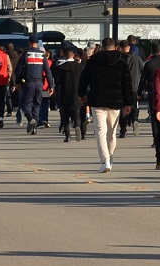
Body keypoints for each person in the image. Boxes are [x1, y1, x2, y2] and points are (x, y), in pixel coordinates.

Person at [80, 37, 135, 172]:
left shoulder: (93, 61)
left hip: (98, 100)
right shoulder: (122, 62)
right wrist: (129, 102)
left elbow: (84, 79)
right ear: (115, 47)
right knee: (112, 133)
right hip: (116, 101)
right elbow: (127, 83)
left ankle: (104, 161)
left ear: (102, 47)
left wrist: (81, 94)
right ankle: (110, 157)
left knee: (100, 132)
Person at [16, 37, 53, 135]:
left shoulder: (26, 53)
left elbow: (18, 70)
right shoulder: (42, 55)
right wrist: (51, 86)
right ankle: (34, 128)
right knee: (37, 104)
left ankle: (30, 119)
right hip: (40, 83)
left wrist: (17, 82)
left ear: (29, 43)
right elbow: (48, 71)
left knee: (26, 104)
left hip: (29, 82)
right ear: (37, 44)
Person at [54, 48, 86, 142]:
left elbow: (57, 81)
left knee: (65, 114)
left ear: (64, 56)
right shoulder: (80, 67)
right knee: (77, 113)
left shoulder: (61, 67)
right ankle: (77, 126)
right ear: (73, 55)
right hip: (77, 93)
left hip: (65, 93)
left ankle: (67, 135)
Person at [120, 41, 145, 138]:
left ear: (121, 48)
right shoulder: (137, 59)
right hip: (134, 87)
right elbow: (143, 72)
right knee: (134, 106)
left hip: (122, 88)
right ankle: (135, 120)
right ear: (129, 47)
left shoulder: (120, 59)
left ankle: (123, 129)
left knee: (123, 109)